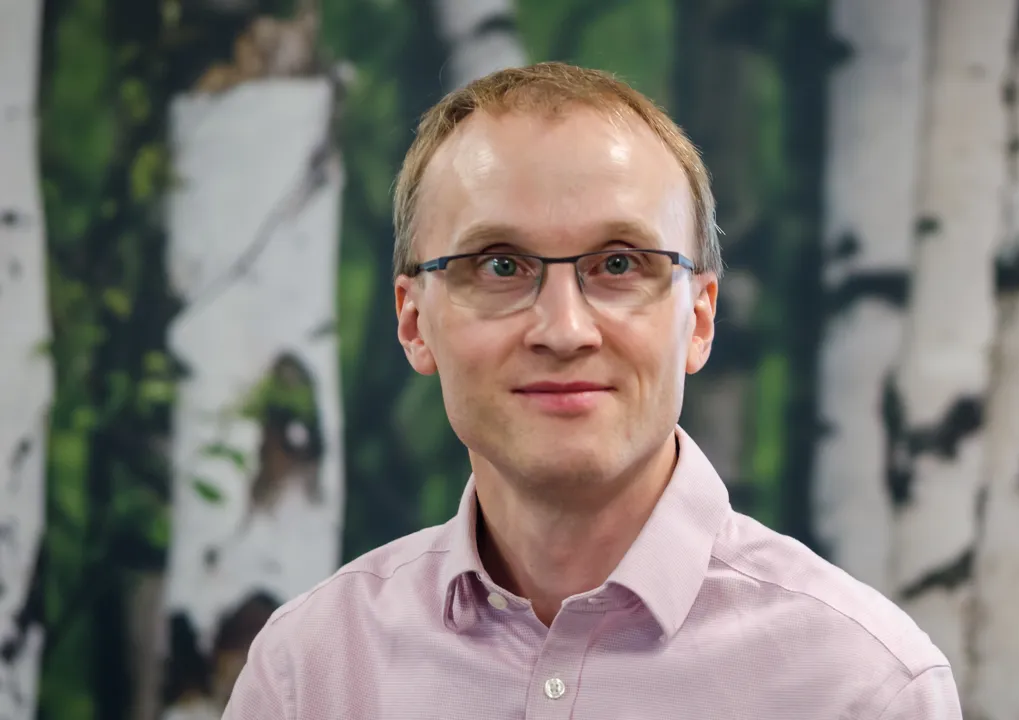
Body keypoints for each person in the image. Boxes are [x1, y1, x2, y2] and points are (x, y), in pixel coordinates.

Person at [224, 61, 961, 719]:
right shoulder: (309, 674)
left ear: (699, 319)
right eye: (501, 266)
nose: (564, 329)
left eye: (618, 264)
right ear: (414, 322)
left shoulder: (862, 687)